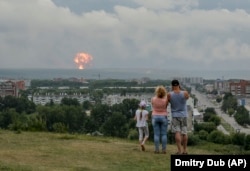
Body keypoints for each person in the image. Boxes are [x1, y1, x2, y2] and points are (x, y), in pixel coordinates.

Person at [167, 79, 189, 155]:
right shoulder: (185, 93)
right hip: (184, 115)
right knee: (184, 132)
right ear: (179, 85)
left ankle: (179, 150)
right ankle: (185, 150)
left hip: (175, 115)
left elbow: (169, 101)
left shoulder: (169, 94)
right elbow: (187, 98)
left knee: (177, 132)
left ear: (172, 86)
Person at [151, 85, 168, 154]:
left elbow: (153, 106)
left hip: (155, 116)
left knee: (156, 134)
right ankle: (164, 150)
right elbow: (166, 107)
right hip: (163, 116)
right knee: (164, 134)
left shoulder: (153, 99)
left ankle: (156, 149)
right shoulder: (166, 100)